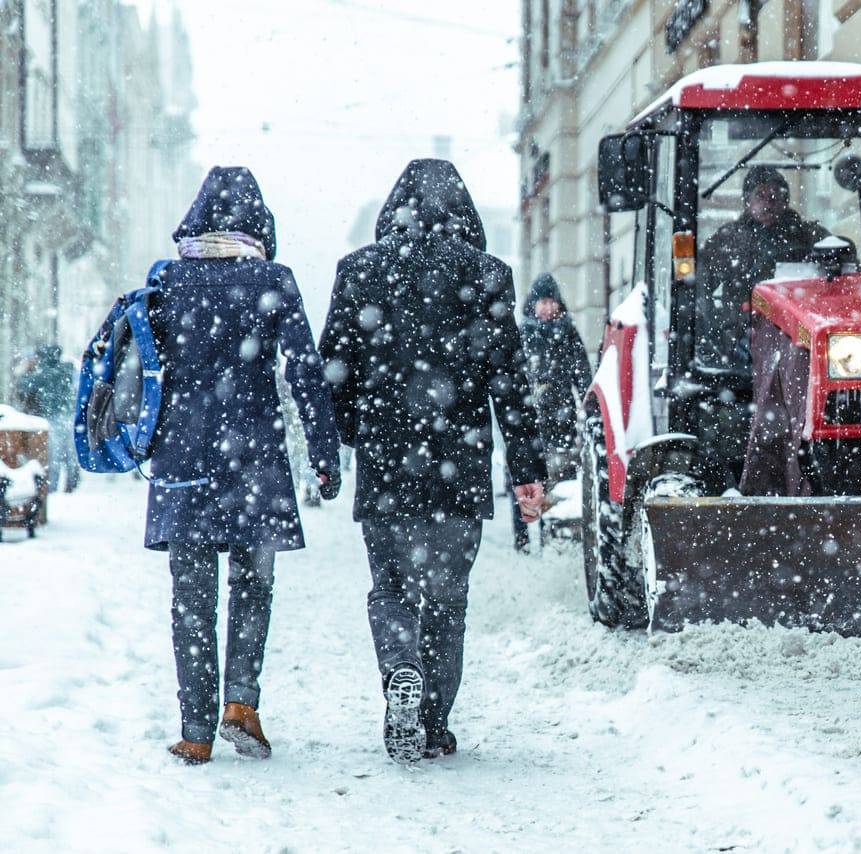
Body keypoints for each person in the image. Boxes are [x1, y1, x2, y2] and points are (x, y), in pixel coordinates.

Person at [319, 159, 546, 764]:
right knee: (447, 597)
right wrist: (527, 467)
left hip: (387, 462)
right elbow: (511, 383)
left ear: (395, 208)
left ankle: (399, 670)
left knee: (390, 586)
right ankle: (435, 722)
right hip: (459, 458)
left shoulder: (360, 272)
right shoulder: (488, 275)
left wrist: (342, 440)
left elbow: (334, 372)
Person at [147, 167, 341, 765]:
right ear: (260, 223)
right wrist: (325, 452)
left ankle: (195, 730)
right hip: (253, 458)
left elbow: (143, 370)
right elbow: (305, 371)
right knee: (253, 585)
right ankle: (240, 703)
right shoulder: (272, 279)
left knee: (191, 594)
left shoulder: (168, 281)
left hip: (183, 460)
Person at [698, 165, 829, 372]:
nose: (768, 202)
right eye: (760, 195)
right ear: (747, 201)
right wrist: (720, 328)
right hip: (742, 343)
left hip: (802, 338)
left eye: (775, 195)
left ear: (786, 201)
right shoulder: (727, 240)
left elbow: (839, 264)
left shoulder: (809, 236)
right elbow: (699, 284)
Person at [511, 273, 592, 551]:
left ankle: (552, 536)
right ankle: (522, 538)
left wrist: (586, 401)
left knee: (557, 481)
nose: (547, 308)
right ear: (532, 305)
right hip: (528, 418)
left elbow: (582, 371)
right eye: (542, 302)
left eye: (551, 302)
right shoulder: (523, 333)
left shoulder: (567, 331)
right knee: (525, 478)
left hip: (561, 416)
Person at [17, 344, 78, 492]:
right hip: (69, 416)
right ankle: (72, 482)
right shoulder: (66, 369)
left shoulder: (42, 373)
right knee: (70, 453)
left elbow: (24, 385)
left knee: (54, 455)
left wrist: (25, 370)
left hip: (51, 418)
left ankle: (52, 486)